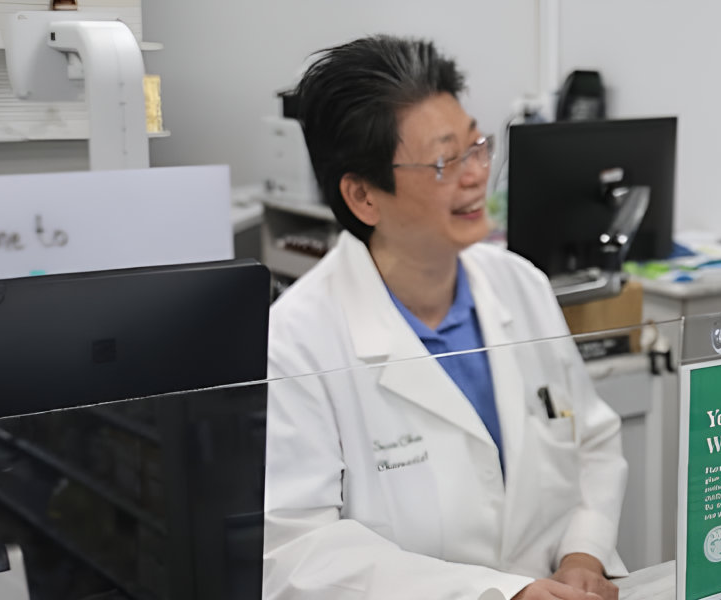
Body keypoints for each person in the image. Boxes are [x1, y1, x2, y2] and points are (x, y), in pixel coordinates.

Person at [263, 36, 625, 600]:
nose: (476, 174)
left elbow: (594, 442)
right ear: (363, 196)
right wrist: (500, 595)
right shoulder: (296, 342)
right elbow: (299, 555)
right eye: (443, 160)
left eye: (476, 146)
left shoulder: (519, 285)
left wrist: (584, 553)